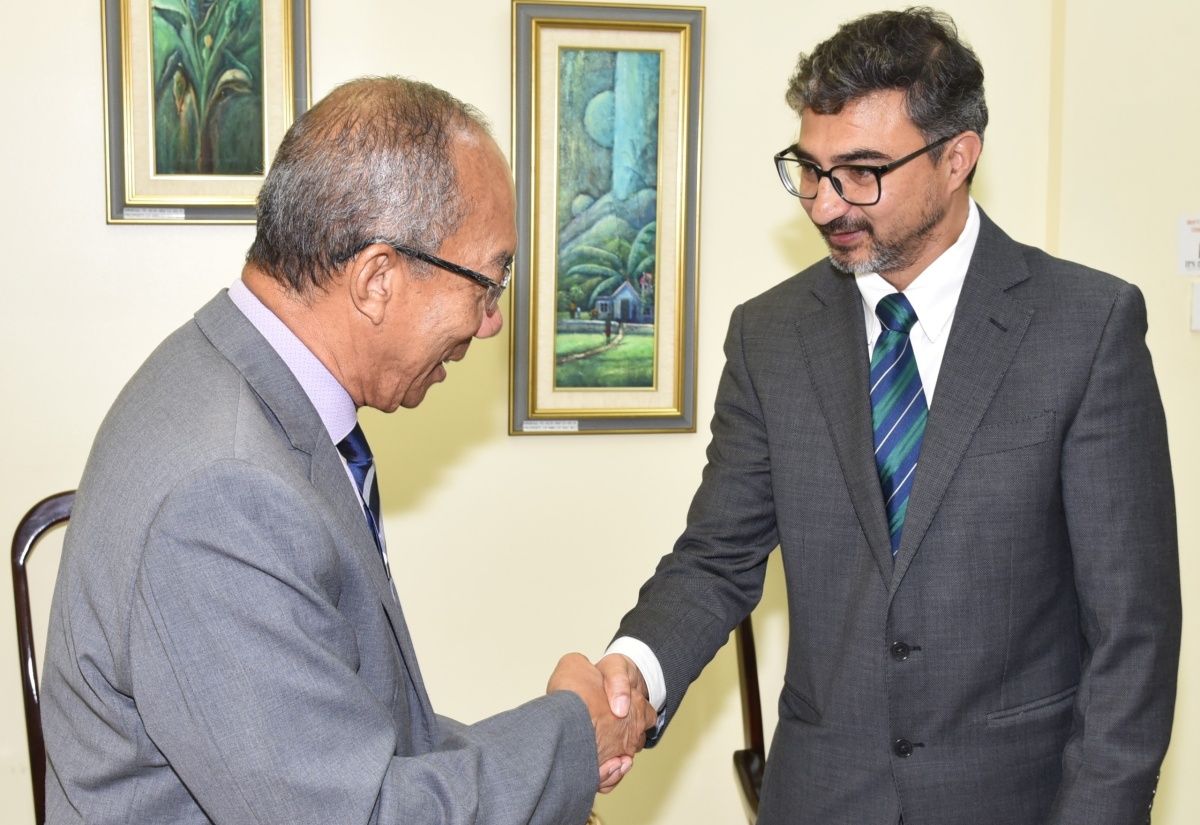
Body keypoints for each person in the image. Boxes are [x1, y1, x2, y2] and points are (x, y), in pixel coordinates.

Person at [598, 8, 1180, 825]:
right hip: (822, 799)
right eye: (809, 168)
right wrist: (630, 677)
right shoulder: (769, 336)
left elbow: (1134, 633)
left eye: (861, 171)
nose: (826, 203)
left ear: (956, 158)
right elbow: (716, 557)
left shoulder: (1087, 328)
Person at [40, 76, 654, 824]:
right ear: (377, 279)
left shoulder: (229, 383)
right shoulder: (228, 490)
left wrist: (558, 733)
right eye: (488, 284)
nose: (490, 323)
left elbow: (345, 743)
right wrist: (570, 735)